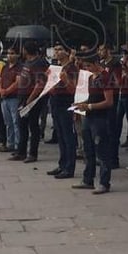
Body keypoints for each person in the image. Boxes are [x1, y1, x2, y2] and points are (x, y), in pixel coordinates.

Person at [72, 50, 115, 194]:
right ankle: (87, 179)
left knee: (101, 151)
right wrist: (82, 104)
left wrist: (89, 106)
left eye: (89, 66)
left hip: (101, 118)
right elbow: (91, 97)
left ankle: (104, 182)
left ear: (97, 63)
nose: (87, 69)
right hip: (89, 116)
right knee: (88, 149)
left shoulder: (106, 77)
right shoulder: (92, 78)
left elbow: (108, 102)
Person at [47, 44, 78, 179]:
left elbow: (75, 89)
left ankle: (69, 167)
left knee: (68, 136)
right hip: (56, 102)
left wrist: (65, 80)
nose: (57, 52)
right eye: (56, 50)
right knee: (60, 135)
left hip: (66, 103)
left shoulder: (72, 68)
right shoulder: (56, 67)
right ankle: (62, 164)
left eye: (60, 50)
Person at [14, 40, 48, 162]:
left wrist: (30, 99)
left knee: (33, 125)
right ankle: (21, 151)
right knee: (21, 123)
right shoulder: (26, 62)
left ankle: (32, 153)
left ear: (26, 50)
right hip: (22, 96)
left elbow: (40, 83)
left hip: (32, 98)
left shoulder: (39, 63)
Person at [0, 46, 22, 154]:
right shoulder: (5, 67)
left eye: (12, 53)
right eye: (8, 53)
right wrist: (1, 90)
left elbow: (17, 83)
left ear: (17, 55)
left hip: (14, 98)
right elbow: (0, 80)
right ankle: (10, 143)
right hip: (4, 98)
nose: (9, 55)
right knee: (8, 123)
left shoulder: (19, 67)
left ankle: (18, 144)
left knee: (16, 121)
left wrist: (7, 90)